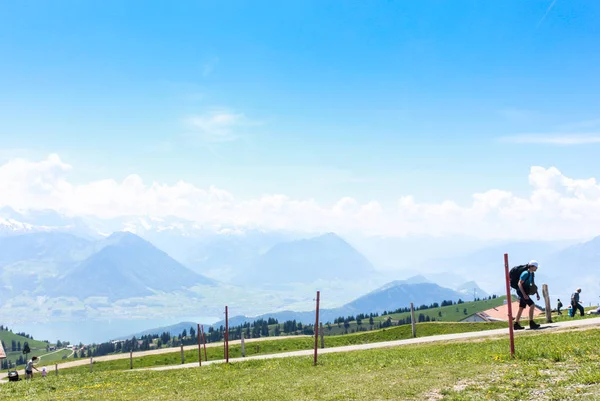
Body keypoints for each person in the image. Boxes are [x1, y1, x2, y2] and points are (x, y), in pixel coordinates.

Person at [514, 260, 541, 330]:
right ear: (531, 266)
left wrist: (537, 293)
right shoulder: (525, 273)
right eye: (536, 267)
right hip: (521, 292)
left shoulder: (532, 274)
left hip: (524, 292)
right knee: (532, 305)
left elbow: (533, 284)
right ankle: (531, 323)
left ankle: (516, 324)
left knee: (521, 307)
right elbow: (519, 284)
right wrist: (524, 294)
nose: (536, 268)